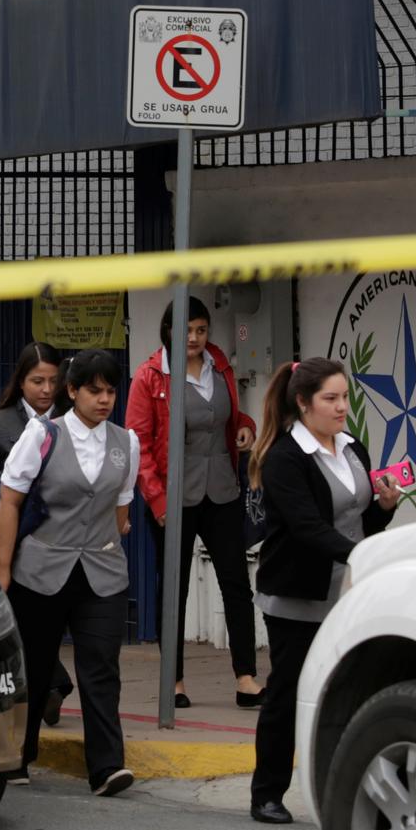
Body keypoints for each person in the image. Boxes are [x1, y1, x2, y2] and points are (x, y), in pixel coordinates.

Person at [246, 357, 399, 825]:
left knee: (352, 690)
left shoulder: (354, 448)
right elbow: (308, 529)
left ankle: (348, 788)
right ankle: (267, 793)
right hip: (297, 593)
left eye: (345, 397)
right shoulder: (285, 458)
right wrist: (361, 557)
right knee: (287, 692)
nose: (341, 408)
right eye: (330, 399)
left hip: (347, 591)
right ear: (303, 402)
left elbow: (359, 521)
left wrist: (385, 508)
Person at [0, 349, 139, 797]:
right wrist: (2, 570)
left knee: (101, 667)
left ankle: (107, 767)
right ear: (71, 391)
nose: (105, 399)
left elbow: (121, 509)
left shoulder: (125, 442)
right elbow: (9, 501)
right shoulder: (42, 435)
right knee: (34, 668)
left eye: (111, 390)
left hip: (102, 573)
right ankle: (19, 755)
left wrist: (105, 540)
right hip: (41, 570)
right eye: (94, 390)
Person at [125, 297, 259, 710]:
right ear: (169, 330)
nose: (195, 339)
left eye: (201, 330)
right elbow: (138, 445)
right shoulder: (149, 377)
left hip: (222, 488)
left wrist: (247, 430)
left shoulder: (220, 363)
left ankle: (246, 677)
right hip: (174, 496)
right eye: (186, 331)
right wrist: (157, 499)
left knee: (236, 584)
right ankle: (175, 681)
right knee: (175, 589)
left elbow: (234, 417)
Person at [0, 342, 75, 733]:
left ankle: (52, 685)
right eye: (37, 381)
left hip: (59, 536)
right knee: (22, 619)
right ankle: (49, 687)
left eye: (52, 381)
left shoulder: (70, 421)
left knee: (44, 622)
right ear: (21, 382)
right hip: (14, 535)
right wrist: (15, 489)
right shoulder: (0, 424)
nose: (46, 389)